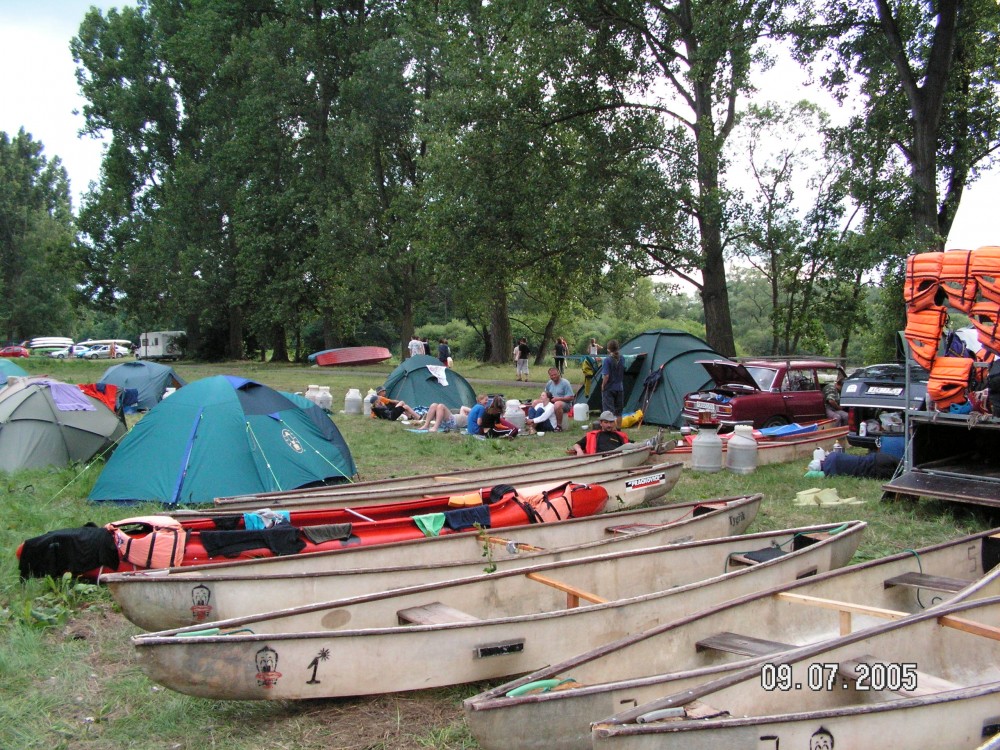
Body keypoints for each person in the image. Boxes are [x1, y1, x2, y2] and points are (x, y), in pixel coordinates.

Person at [600, 339, 625, 428]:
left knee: (609, 412)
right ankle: (618, 430)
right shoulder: (622, 358)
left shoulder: (607, 360)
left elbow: (606, 375)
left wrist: (603, 385)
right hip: (620, 387)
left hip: (609, 388)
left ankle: (610, 430)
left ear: (608, 349)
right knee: (619, 412)